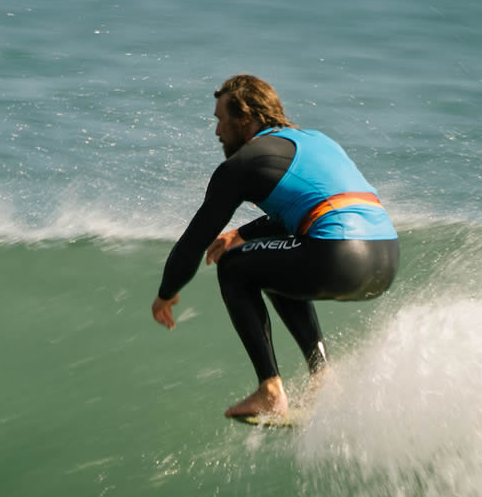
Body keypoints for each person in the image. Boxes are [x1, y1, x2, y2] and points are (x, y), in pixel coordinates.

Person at [151, 75, 399, 419]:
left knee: (234, 266)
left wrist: (166, 291)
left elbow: (194, 240)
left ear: (246, 118)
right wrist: (245, 233)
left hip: (338, 253)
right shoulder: (317, 140)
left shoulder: (241, 164)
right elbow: (315, 203)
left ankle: (270, 390)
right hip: (385, 258)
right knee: (272, 259)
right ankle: (323, 378)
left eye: (221, 120)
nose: (217, 132)